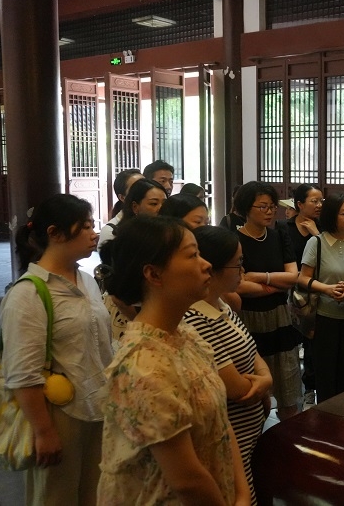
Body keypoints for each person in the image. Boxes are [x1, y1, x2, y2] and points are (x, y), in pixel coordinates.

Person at [98, 216, 250, 505]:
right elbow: (187, 481)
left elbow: (221, 423)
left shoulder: (186, 335)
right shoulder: (143, 365)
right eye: (193, 256)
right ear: (154, 275)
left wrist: (242, 493)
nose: (206, 265)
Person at [0, 194, 113, 506]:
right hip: (60, 415)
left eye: (93, 225)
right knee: (55, 497)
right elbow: (22, 373)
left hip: (99, 407)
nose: (94, 233)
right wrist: (44, 431)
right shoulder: (28, 294)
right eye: (85, 226)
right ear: (54, 233)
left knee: (97, 495)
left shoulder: (87, 280)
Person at [184, 226, 273, 505]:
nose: (242, 271)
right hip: (228, 440)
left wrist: (266, 378)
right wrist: (262, 382)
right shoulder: (193, 319)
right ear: (212, 269)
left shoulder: (222, 305)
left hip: (249, 436)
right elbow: (236, 389)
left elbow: (252, 351)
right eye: (238, 264)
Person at [232, 181, 301, 421]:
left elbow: (293, 277)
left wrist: (260, 278)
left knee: (288, 385)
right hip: (248, 318)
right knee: (254, 391)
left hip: (280, 317)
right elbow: (239, 286)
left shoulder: (279, 236)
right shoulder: (234, 240)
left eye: (272, 206)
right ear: (246, 208)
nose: (270, 211)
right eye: (263, 206)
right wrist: (277, 284)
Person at [299, 193, 344, 402]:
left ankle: (343, 413)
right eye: (343, 213)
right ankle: (325, 413)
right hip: (324, 316)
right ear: (331, 215)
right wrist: (327, 289)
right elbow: (303, 278)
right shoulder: (316, 242)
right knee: (325, 373)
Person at [280, 183, 324, 405]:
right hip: (288, 292)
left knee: (312, 343)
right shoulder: (283, 228)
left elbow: (328, 260)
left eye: (321, 201)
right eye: (314, 201)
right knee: (289, 342)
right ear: (299, 204)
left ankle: (311, 388)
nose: (319, 205)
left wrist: (317, 235)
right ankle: (288, 391)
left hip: (314, 292)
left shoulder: (323, 228)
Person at [98, 178, 166, 253]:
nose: (161, 208)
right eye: (154, 203)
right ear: (135, 207)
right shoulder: (114, 233)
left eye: (165, 203)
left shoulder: (169, 233)